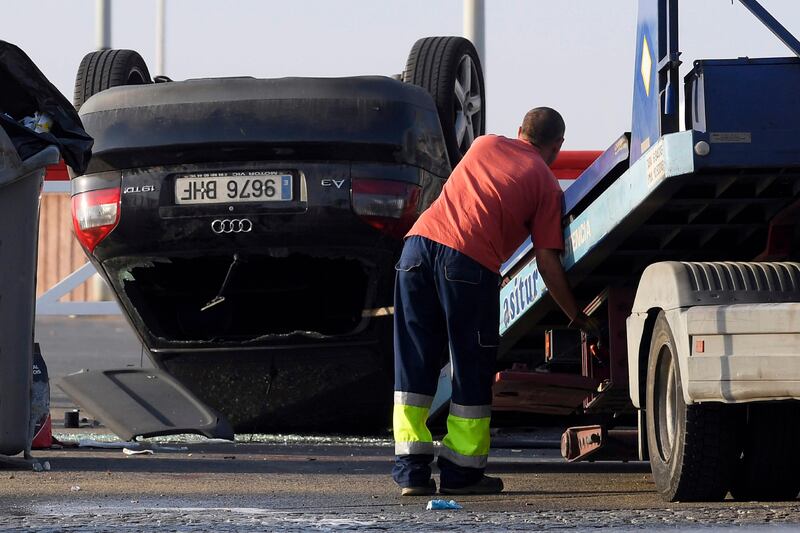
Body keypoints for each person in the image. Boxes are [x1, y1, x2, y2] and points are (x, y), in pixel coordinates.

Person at [392, 107, 596, 496]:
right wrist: (575, 314)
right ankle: (461, 472)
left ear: (520, 130)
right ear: (558, 146)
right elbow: (547, 260)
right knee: (470, 366)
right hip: (466, 263)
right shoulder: (546, 183)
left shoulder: (484, 144)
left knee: (414, 364)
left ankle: (411, 473)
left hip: (415, 251)